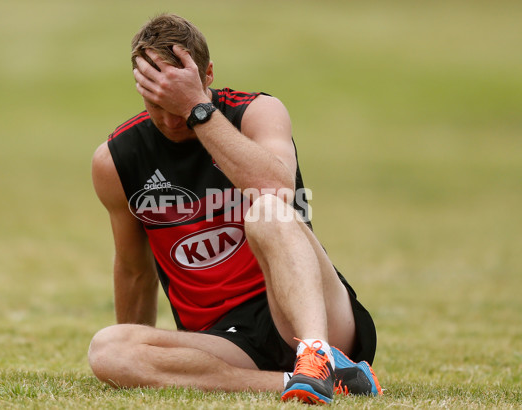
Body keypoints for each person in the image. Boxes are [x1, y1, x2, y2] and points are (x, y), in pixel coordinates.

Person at [87, 13, 381, 405]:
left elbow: (278, 189)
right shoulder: (116, 159)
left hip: (310, 313)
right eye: (159, 98)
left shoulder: (258, 112)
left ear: (207, 74)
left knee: (267, 210)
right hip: (224, 341)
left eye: (182, 95)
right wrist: (145, 357)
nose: (173, 118)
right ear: (140, 85)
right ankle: (308, 381)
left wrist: (197, 108)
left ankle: (318, 355)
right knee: (108, 349)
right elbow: (135, 271)